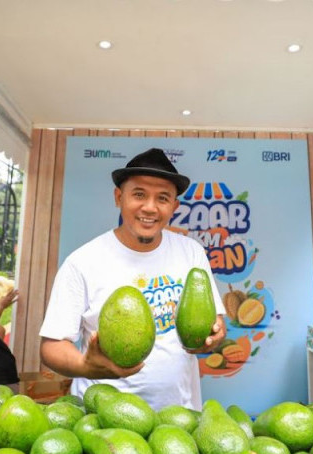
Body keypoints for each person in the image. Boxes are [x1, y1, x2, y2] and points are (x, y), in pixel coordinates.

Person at [39, 148, 226, 410]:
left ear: (174, 206)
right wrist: (86, 366)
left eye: (162, 198)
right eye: (139, 194)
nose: (149, 208)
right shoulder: (82, 262)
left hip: (178, 416)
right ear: (119, 197)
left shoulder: (191, 252)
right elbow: (51, 346)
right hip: (105, 419)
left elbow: (215, 322)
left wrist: (213, 336)